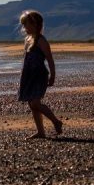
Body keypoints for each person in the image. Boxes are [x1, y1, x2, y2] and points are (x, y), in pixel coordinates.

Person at [18, 10, 63, 139]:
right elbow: (26, 59)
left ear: (36, 25)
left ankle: (56, 121)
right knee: (31, 104)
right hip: (28, 76)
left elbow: (49, 59)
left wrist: (52, 76)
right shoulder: (28, 39)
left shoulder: (41, 40)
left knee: (36, 103)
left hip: (39, 76)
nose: (24, 28)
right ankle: (40, 132)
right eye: (23, 25)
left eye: (26, 25)